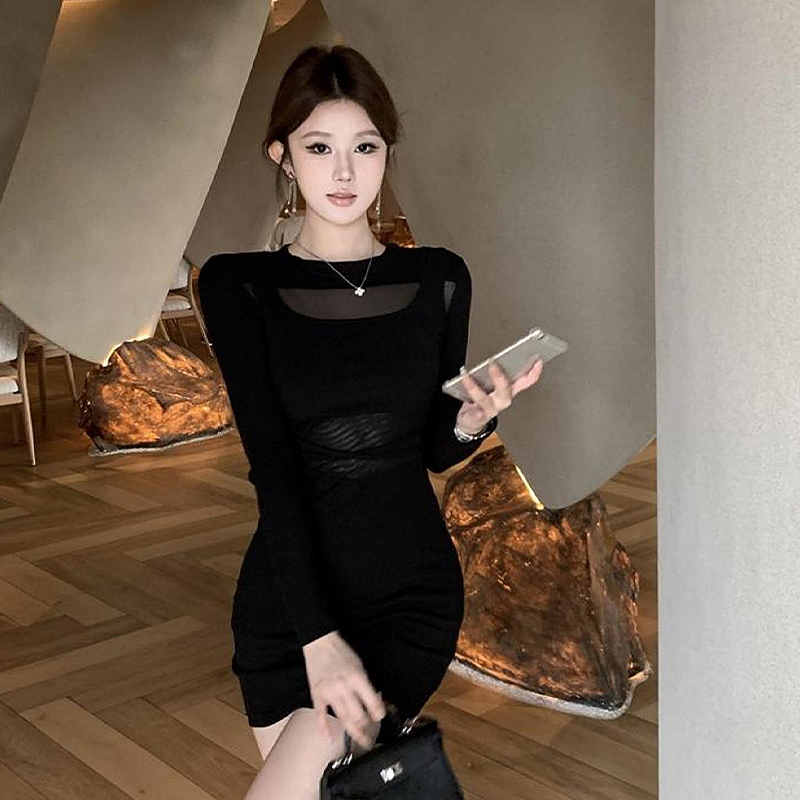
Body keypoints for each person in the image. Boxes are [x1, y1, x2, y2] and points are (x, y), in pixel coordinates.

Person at [197, 44, 543, 799]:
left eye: (365, 147)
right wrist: (318, 639)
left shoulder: (438, 277)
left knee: (315, 768)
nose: (345, 172)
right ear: (283, 156)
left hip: (407, 594)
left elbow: (430, 452)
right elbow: (275, 469)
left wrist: (471, 419)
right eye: (320, 147)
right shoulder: (238, 285)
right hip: (289, 603)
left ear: (387, 152)